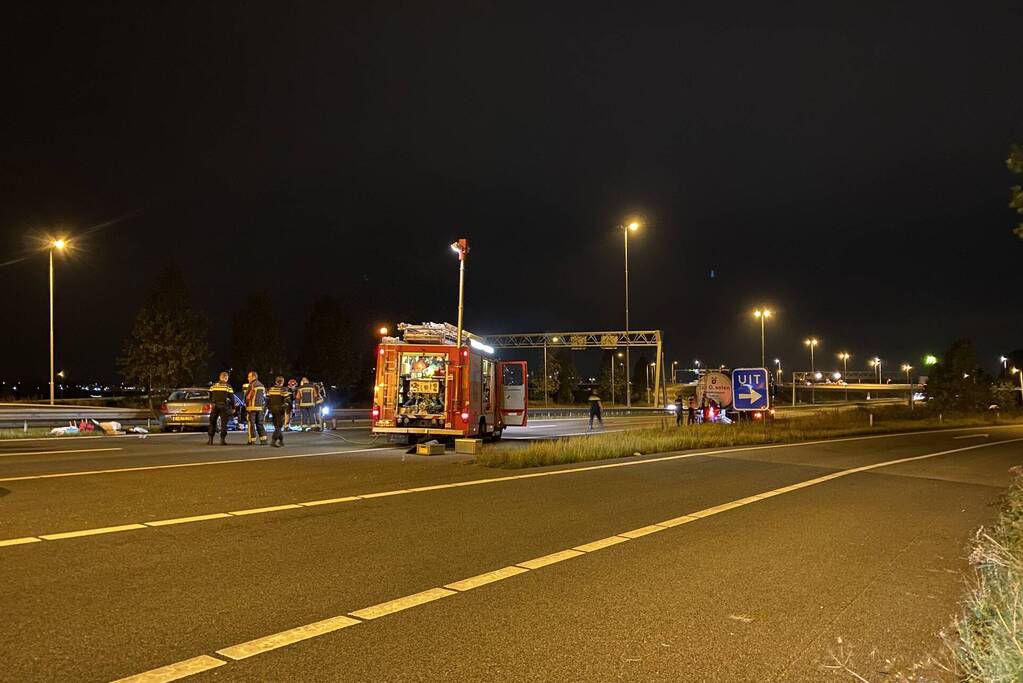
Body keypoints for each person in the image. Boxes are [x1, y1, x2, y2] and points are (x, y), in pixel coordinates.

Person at [208, 371, 234, 445]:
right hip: (224, 406)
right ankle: (222, 440)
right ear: (226, 378)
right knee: (223, 423)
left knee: (212, 422)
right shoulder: (228, 387)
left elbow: (210, 396)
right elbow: (232, 398)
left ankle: (210, 440)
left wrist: (212, 403)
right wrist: (233, 407)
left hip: (215, 406)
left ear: (220, 377)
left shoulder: (213, 386)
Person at [266, 376, 290, 447]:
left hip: (272, 409)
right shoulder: (283, 390)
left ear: (276, 382)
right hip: (280, 410)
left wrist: (268, 408)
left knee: (276, 425)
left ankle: (281, 440)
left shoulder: (270, 389)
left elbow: (267, 399)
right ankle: (273, 440)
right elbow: (288, 400)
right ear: (282, 382)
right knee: (279, 426)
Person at [245, 371, 267, 445]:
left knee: (251, 423)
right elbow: (264, 398)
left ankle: (252, 440)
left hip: (252, 407)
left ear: (254, 377)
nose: (248, 378)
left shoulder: (252, 385)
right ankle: (263, 440)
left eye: (249, 376)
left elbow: (248, 396)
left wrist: (246, 404)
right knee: (260, 423)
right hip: (260, 408)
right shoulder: (262, 385)